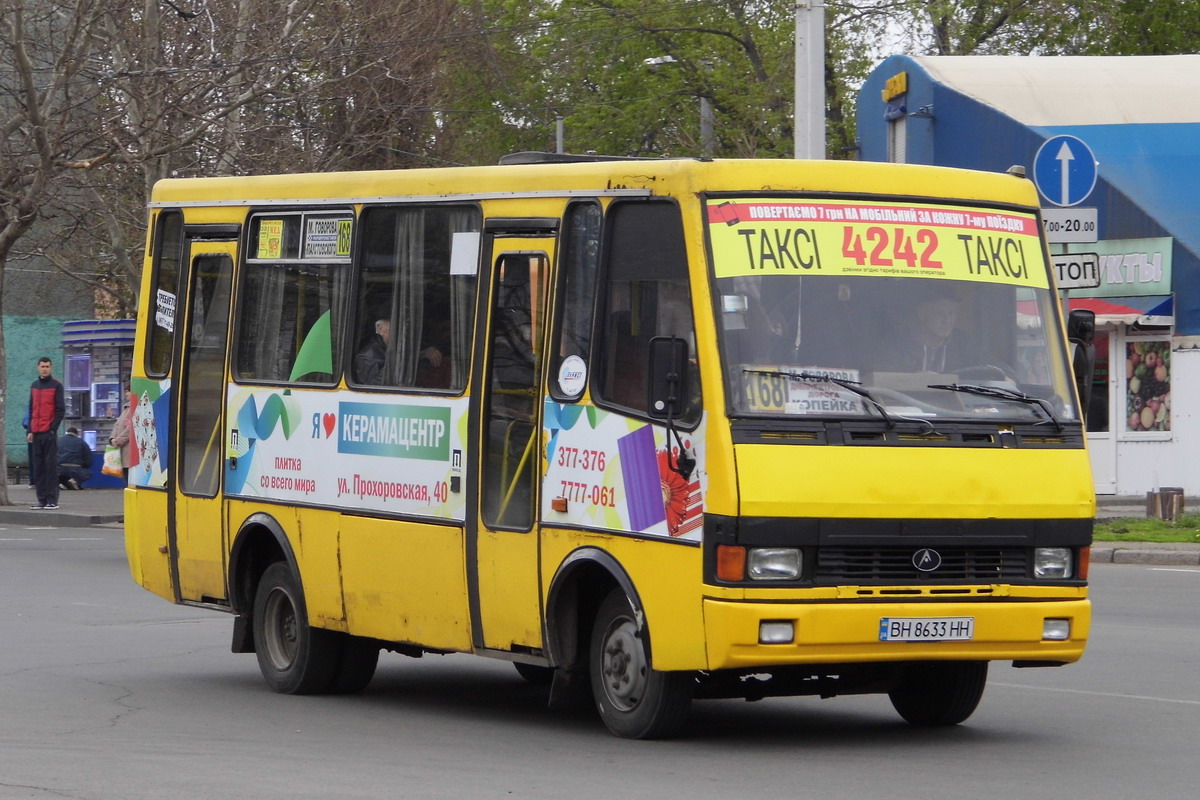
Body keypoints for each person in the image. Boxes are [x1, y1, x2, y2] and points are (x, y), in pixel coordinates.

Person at [27, 356, 65, 509]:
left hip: (48, 433)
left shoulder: (56, 385)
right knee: (38, 468)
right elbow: (31, 410)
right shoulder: (34, 386)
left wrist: (52, 429)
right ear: (38, 368)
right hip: (35, 433)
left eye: (47, 366)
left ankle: (52, 500)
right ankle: (41, 499)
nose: (45, 369)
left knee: (50, 468)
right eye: (42, 366)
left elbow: (60, 409)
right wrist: (30, 430)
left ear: (51, 368)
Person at [355, 318, 390, 385]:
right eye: (395, 328)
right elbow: (375, 386)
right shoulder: (367, 358)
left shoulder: (386, 349)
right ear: (380, 329)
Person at [109, 387, 134, 479]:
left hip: (129, 451)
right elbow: (117, 425)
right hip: (122, 451)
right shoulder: (126, 408)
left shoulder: (135, 407)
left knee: (129, 479)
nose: (126, 394)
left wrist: (118, 440)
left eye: (128, 391)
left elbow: (131, 428)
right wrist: (112, 439)